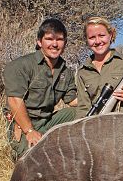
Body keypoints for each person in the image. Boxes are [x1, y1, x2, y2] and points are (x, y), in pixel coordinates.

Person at [4, 18, 77, 159]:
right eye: (49, 39)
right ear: (39, 42)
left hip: (48, 121)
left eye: (60, 39)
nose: (55, 44)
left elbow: (72, 100)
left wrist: (98, 97)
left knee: (79, 112)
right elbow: (14, 100)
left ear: (65, 43)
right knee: (34, 161)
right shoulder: (21, 65)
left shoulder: (65, 71)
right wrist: (30, 130)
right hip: (24, 125)